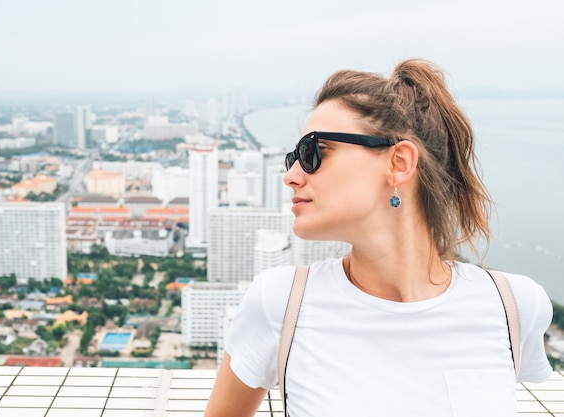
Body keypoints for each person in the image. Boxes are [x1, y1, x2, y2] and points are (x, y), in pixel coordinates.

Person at [204, 59, 553, 417]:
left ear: (399, 162)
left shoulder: (514, 306)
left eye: (313, 152)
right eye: (293, 157)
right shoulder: (280, 303)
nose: (292, 175)